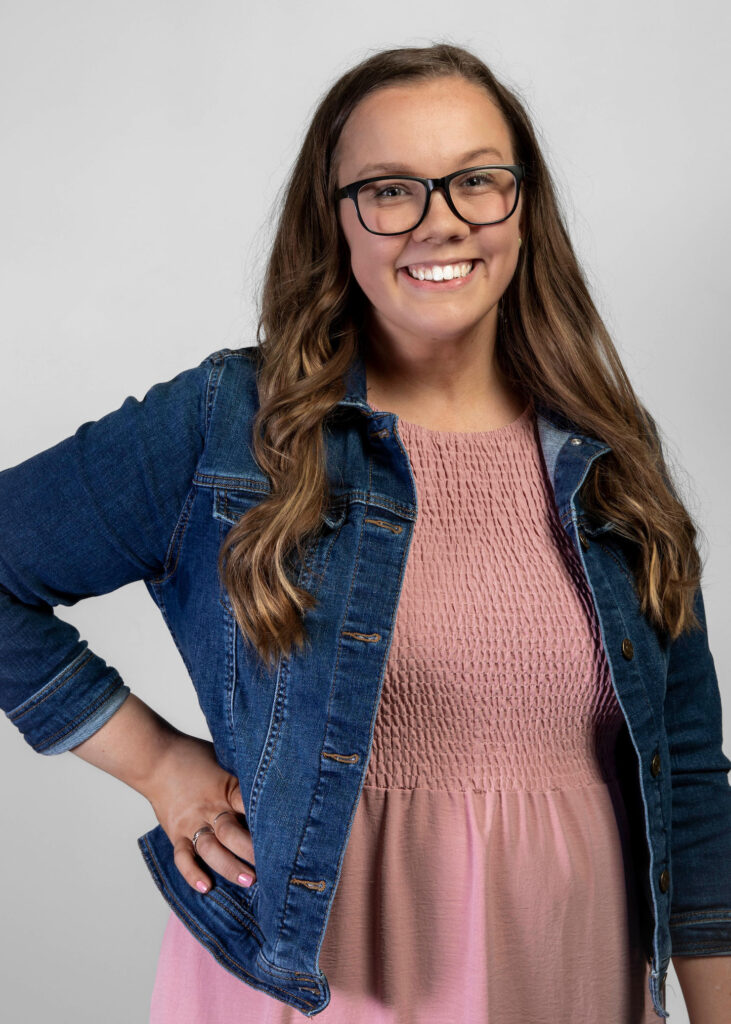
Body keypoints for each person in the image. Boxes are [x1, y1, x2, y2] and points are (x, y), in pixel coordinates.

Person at [1, 41, 730, 1024]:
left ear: (522, 205)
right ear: (334, 219)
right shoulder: (230, 423)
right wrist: (161, 766)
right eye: (390, 190)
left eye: (475, 180)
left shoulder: (608, 458)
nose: (439, 222)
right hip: (318, 988)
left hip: (565, 971)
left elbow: (687, 783)